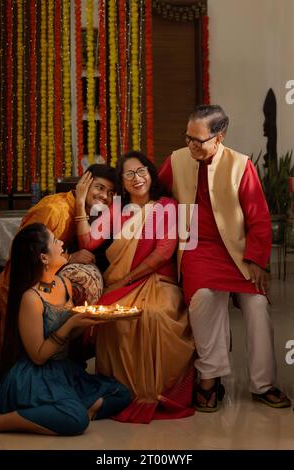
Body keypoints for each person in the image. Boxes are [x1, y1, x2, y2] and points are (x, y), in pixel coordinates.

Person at [158, 104, 291, 412]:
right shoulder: (176, 161)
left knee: (257, 305)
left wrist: (257, 260)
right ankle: (210, 377)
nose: (190, 145)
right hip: (196, 248)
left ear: (219, 137)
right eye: (188, 137)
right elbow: (156, 197)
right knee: (204, 298)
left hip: (239, 251)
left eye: (198, 140)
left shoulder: (241, 165)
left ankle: (264, 383)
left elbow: (258, 217)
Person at [75, 151, 195, 424]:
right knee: (112, 315)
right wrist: (80, 202)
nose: (136, 178)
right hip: (124, 282)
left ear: (150, 173)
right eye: (128, 174)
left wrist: (125, 281)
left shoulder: (166, 206)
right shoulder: (117, 209)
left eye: (141, 171)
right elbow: (88, 243)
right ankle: (120, 391)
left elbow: (163, 254)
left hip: (158, 281)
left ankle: (157, 392)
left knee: (154, 314)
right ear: (123, 182)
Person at [0, 223, 132, 435]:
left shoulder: (64, 283)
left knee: (121, 393)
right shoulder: (31, 298)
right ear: (43, 258)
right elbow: (38, 356)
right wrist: (71, 323)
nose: (61, 243)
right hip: (35, 376)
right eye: (54, 241)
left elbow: (68, 334)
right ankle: (1, 422)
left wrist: (87, 321)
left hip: (62, 369)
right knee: (76, 420)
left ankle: (71, 410)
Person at [0, 164, 116, 347]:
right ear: (83, 184)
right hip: (15, 292)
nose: (104, 196)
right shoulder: (54, 209)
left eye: (111, 192)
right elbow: (24, 254)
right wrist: (70, 258)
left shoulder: (90, 213)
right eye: (99, 187)